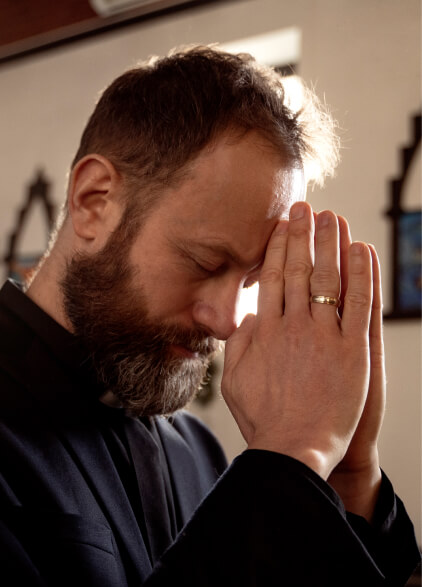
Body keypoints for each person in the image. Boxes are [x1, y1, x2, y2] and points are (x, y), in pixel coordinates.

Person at [0, 45, 419, 586]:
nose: (226, 322)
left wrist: (347, 477)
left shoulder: (198, 452)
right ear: (94, 201)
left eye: (250, 280)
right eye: (205, 262)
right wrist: (289, 458)